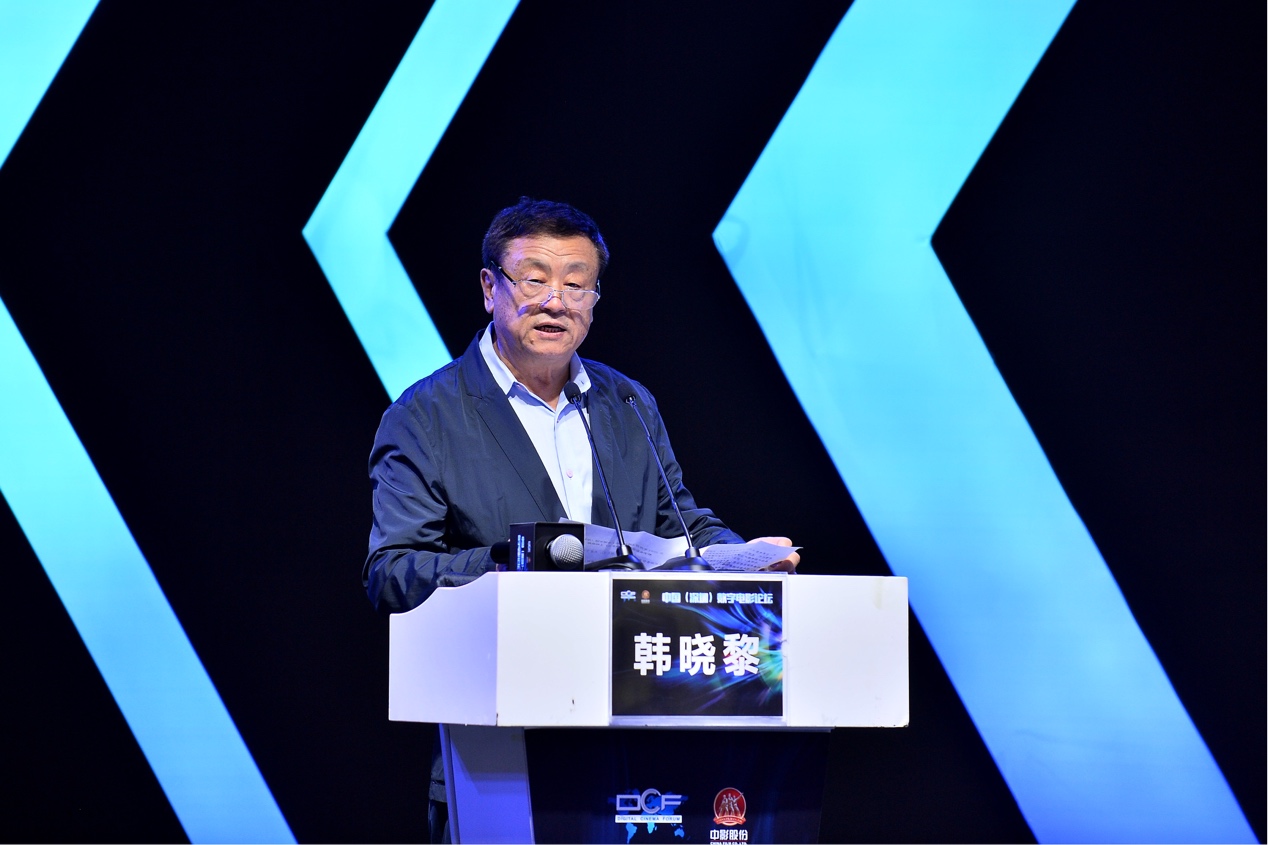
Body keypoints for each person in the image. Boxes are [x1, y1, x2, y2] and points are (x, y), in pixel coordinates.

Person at [362, 196, 798, 842]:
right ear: (490, 289)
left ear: (595, 299)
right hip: (501, 751)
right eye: (534, 280)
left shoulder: (627, 403)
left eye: (576, 284)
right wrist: (514, 563)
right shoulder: (425, 416)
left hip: (634, 748)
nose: (555, 302)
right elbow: (392, 571)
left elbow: (681, 523)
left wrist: (743, 558)